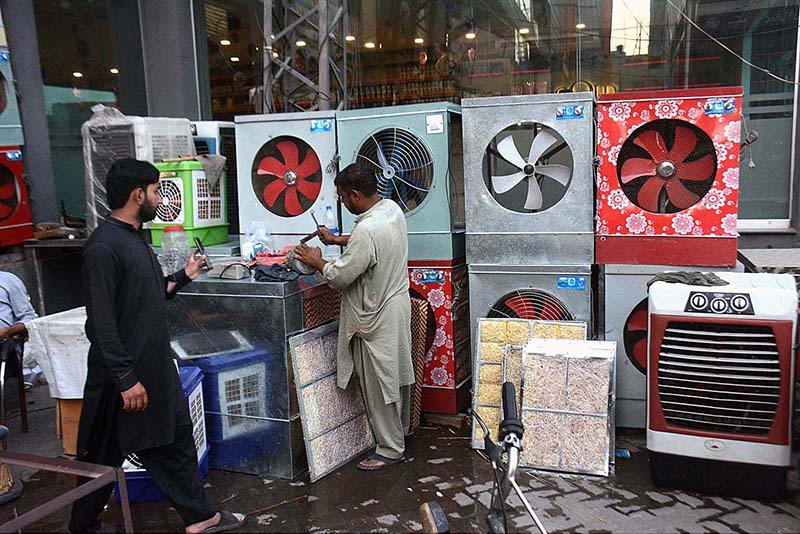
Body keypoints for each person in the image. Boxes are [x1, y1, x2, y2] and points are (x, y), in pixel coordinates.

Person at [69, 159, 244, 534]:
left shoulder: (135, 239)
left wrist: (185, 275)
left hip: (151, 371)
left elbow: (149, 295)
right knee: (104, 454)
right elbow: (102, 322)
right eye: (154, 191)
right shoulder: (103, 248)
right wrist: (126, 378)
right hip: (126, 380)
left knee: (170, 443)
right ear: (137, 194)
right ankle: (84, 524)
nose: (159, 197)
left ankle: (198, 517)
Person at [294, 162, 414, 471]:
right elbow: (372, 244)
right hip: (397, 306)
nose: (343, 202)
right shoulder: (391, 210)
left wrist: (318, 260)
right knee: (396, 376)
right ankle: (400, 432)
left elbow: (340, 276)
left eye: (344, 197)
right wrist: (336, 241)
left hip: (374, 317)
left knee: (379, 385)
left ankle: (389, 448)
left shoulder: (365, 229)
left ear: (356, 195)